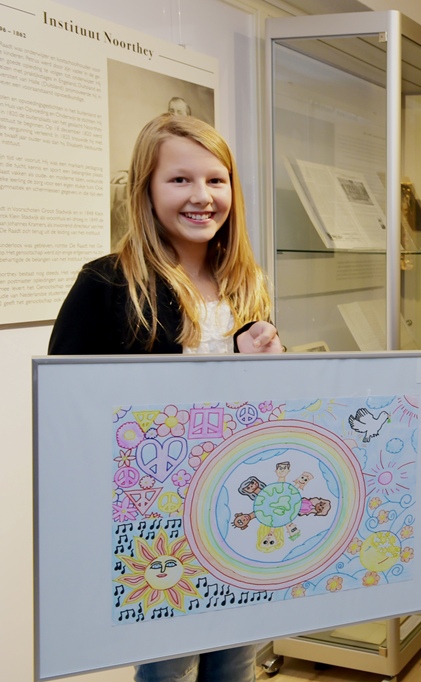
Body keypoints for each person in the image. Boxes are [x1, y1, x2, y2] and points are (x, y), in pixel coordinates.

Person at [50, 113, 282, 682]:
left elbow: (261, 405)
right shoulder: (106, 283)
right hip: (159, 520)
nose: (202, 196)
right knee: (169, 665)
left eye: (216, 179)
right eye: (179, 180)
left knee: (237, 659)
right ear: (146, 190)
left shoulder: (245, 280)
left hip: (238, 508)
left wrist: (268, 371)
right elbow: (64, 408)